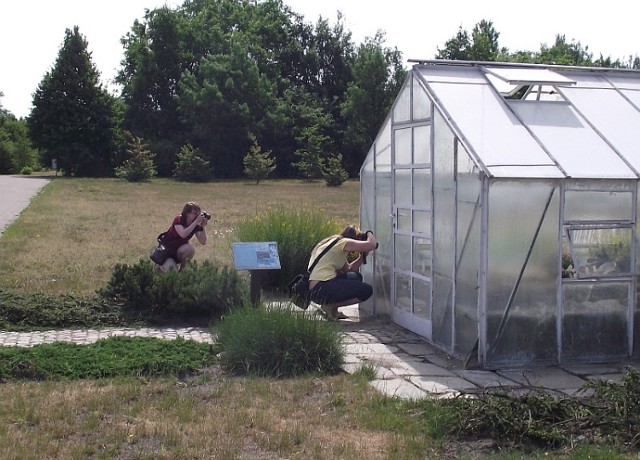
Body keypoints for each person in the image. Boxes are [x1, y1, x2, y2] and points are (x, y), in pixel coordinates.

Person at [308, 225, 377, 320]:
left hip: (316, 289)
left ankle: (333, 310)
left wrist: (362, 256)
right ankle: (330, 306)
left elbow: (349, 269)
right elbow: (372, 245)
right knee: (367, 291)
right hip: (321, 288)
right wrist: (369, 233)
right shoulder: (344, 242)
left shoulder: (334, 243)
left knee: (355, 276)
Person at [156, 201, 208, 272]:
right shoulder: (179, 220)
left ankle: (182, 270)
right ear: (187, 213)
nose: (196, 216)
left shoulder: (194, 224)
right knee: (172, 272)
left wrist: (203, 226)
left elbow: (203, 241)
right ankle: (159, 266)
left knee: (190, 249)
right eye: (194, 213)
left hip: (178, 252)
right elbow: (183, 234)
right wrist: (196, 222)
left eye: (198, 214)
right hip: (166, 252)